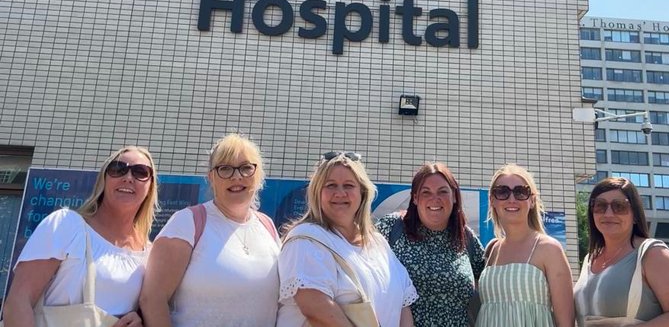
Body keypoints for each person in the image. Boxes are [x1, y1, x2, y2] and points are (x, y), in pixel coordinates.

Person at [3, 146, 158, 326]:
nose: (128, 177)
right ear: (104, 179)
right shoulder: (66, 225)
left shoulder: (150, 254)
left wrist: (140, 319)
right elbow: (18, 302)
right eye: (118, 169)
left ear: (150, 186)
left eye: (140, 172)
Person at [139, 134, 280, 326]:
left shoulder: (267, 226)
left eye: (246, 168)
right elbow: (153, 299)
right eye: (225, 169)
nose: (236, 176)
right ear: (211, 177)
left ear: (258, 175)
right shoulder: (187, 223)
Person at [277, 151, 418, 327]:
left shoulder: (378, 243)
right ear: (317, 193)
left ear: (362, 193)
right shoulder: (306, 239)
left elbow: (403, 302)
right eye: (331, 185)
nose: (340, 193)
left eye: (349, 185)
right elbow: (316, 309)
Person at [573, 177, 669, 326]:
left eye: (619, 206)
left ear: (635, 215)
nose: (608, 214)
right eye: (600, 206)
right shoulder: (590, 259)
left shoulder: (653, 254)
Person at [375, 162, 485, 326]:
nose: (435, 199)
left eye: (443, 191)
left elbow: (492, 281)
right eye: (426, 192)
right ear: (415, 197)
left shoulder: (465, 237)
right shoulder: (392, 228)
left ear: (454, 196)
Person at [475, 163, 574, 327]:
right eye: (502, 192)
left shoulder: (549, 248)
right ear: (492, 200)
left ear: (532, 200)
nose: (512, 199)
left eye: (521, 192)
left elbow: (566, 323)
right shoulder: (492, 249)